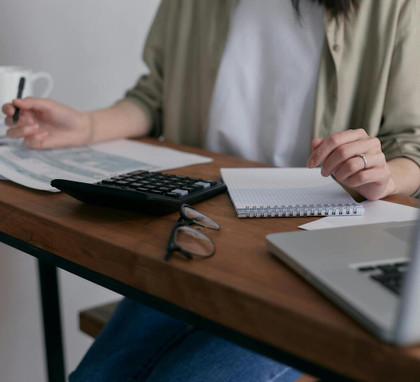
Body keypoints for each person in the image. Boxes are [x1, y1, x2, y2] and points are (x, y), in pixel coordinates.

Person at [2, 0, 420, 380]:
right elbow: (154, 98)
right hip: (200, 235)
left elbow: (412, 146)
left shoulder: (395, 6)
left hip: (317, 251)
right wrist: (87, 126)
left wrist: (382, 177)